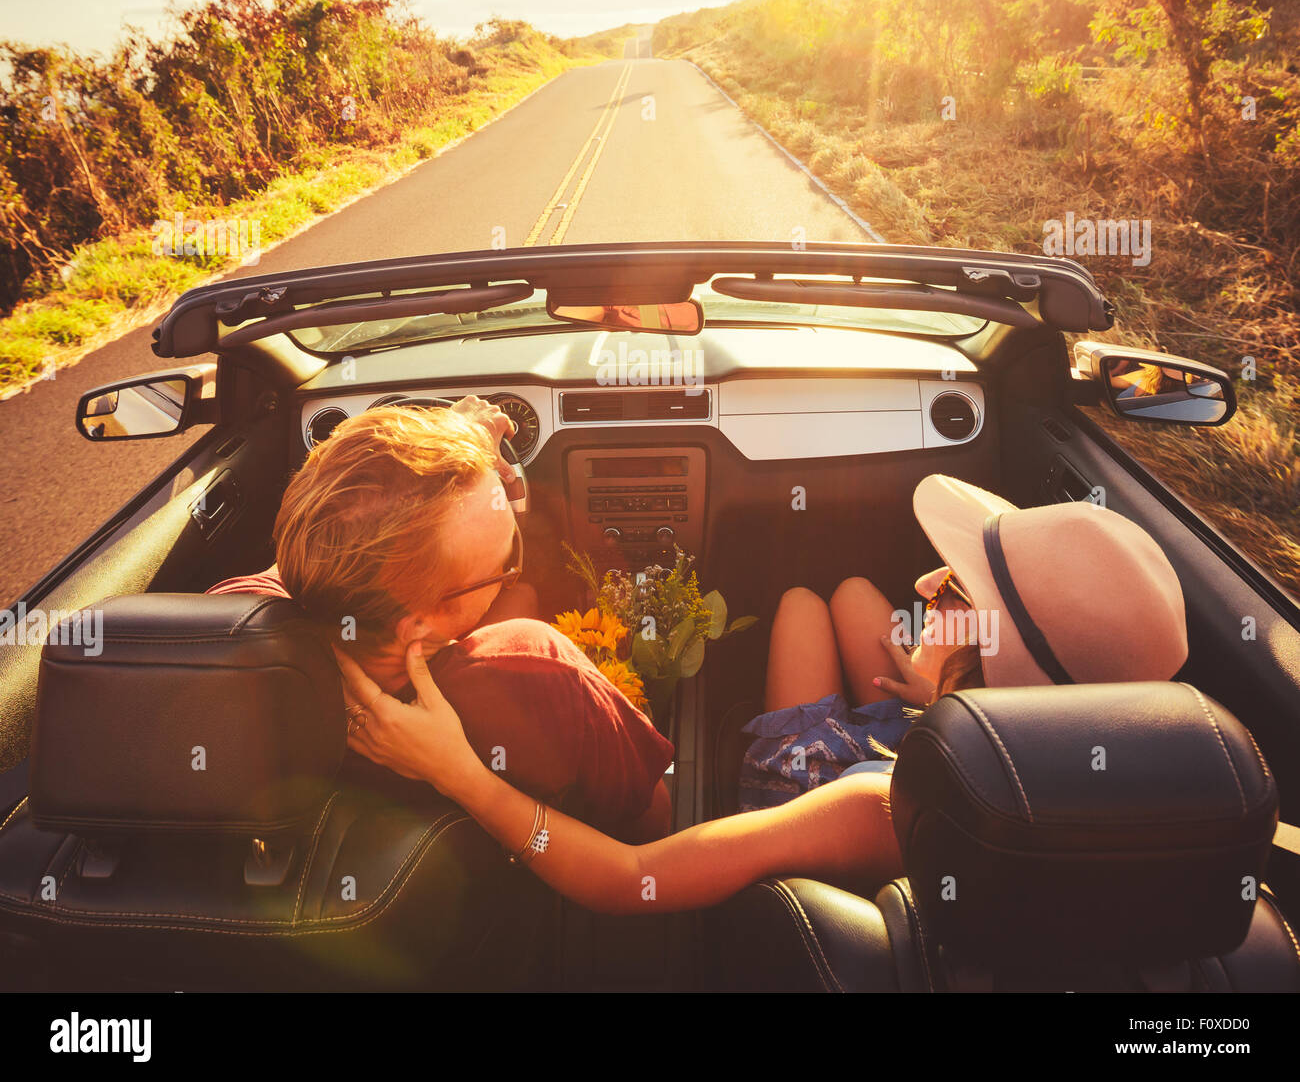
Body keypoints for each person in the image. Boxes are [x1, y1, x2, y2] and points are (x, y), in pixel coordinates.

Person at [338, 473, 1190, 915]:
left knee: (796, 607)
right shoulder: (1161, 798)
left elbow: (629, 878)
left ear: (999, 675)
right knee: (851, 594)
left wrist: (462, 773)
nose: (929, 581)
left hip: (830, 789)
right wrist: (949, 692)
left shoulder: (873, 811)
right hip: (939, 742)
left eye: (962, 595)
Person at [210, 398, 675, 843]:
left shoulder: (229, 639)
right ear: (414, 626)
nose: (514, 564)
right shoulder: (539, 669)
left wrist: (447, 451)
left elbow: (301, 560)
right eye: (509, 560)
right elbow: (652, 818)